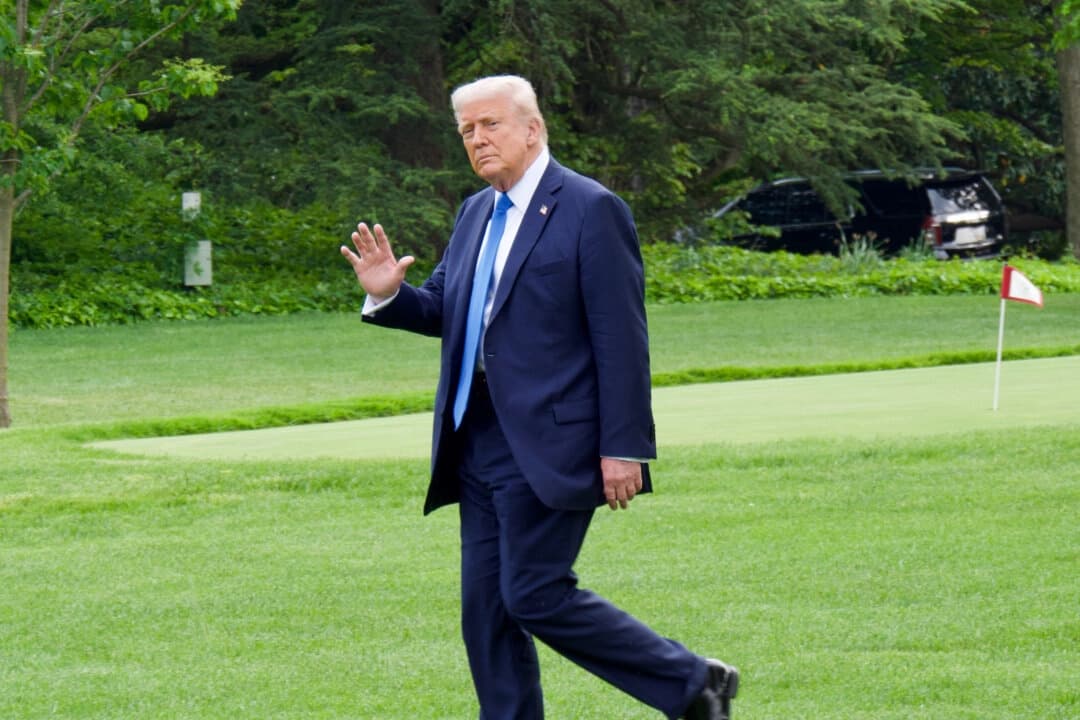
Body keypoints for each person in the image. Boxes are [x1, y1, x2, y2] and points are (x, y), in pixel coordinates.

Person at [341, 74, 739, 720]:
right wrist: (389, 293)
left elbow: (622, 339)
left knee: (532, 593)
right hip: (475, 445)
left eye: (489, 125)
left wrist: (624, 446)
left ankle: (692, 682)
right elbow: (450, 308)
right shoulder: (476, 212)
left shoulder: (591, 208)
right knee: (487, 616)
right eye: (467, 131)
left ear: (533, 129)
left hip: (553, 443)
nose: (477, 140)